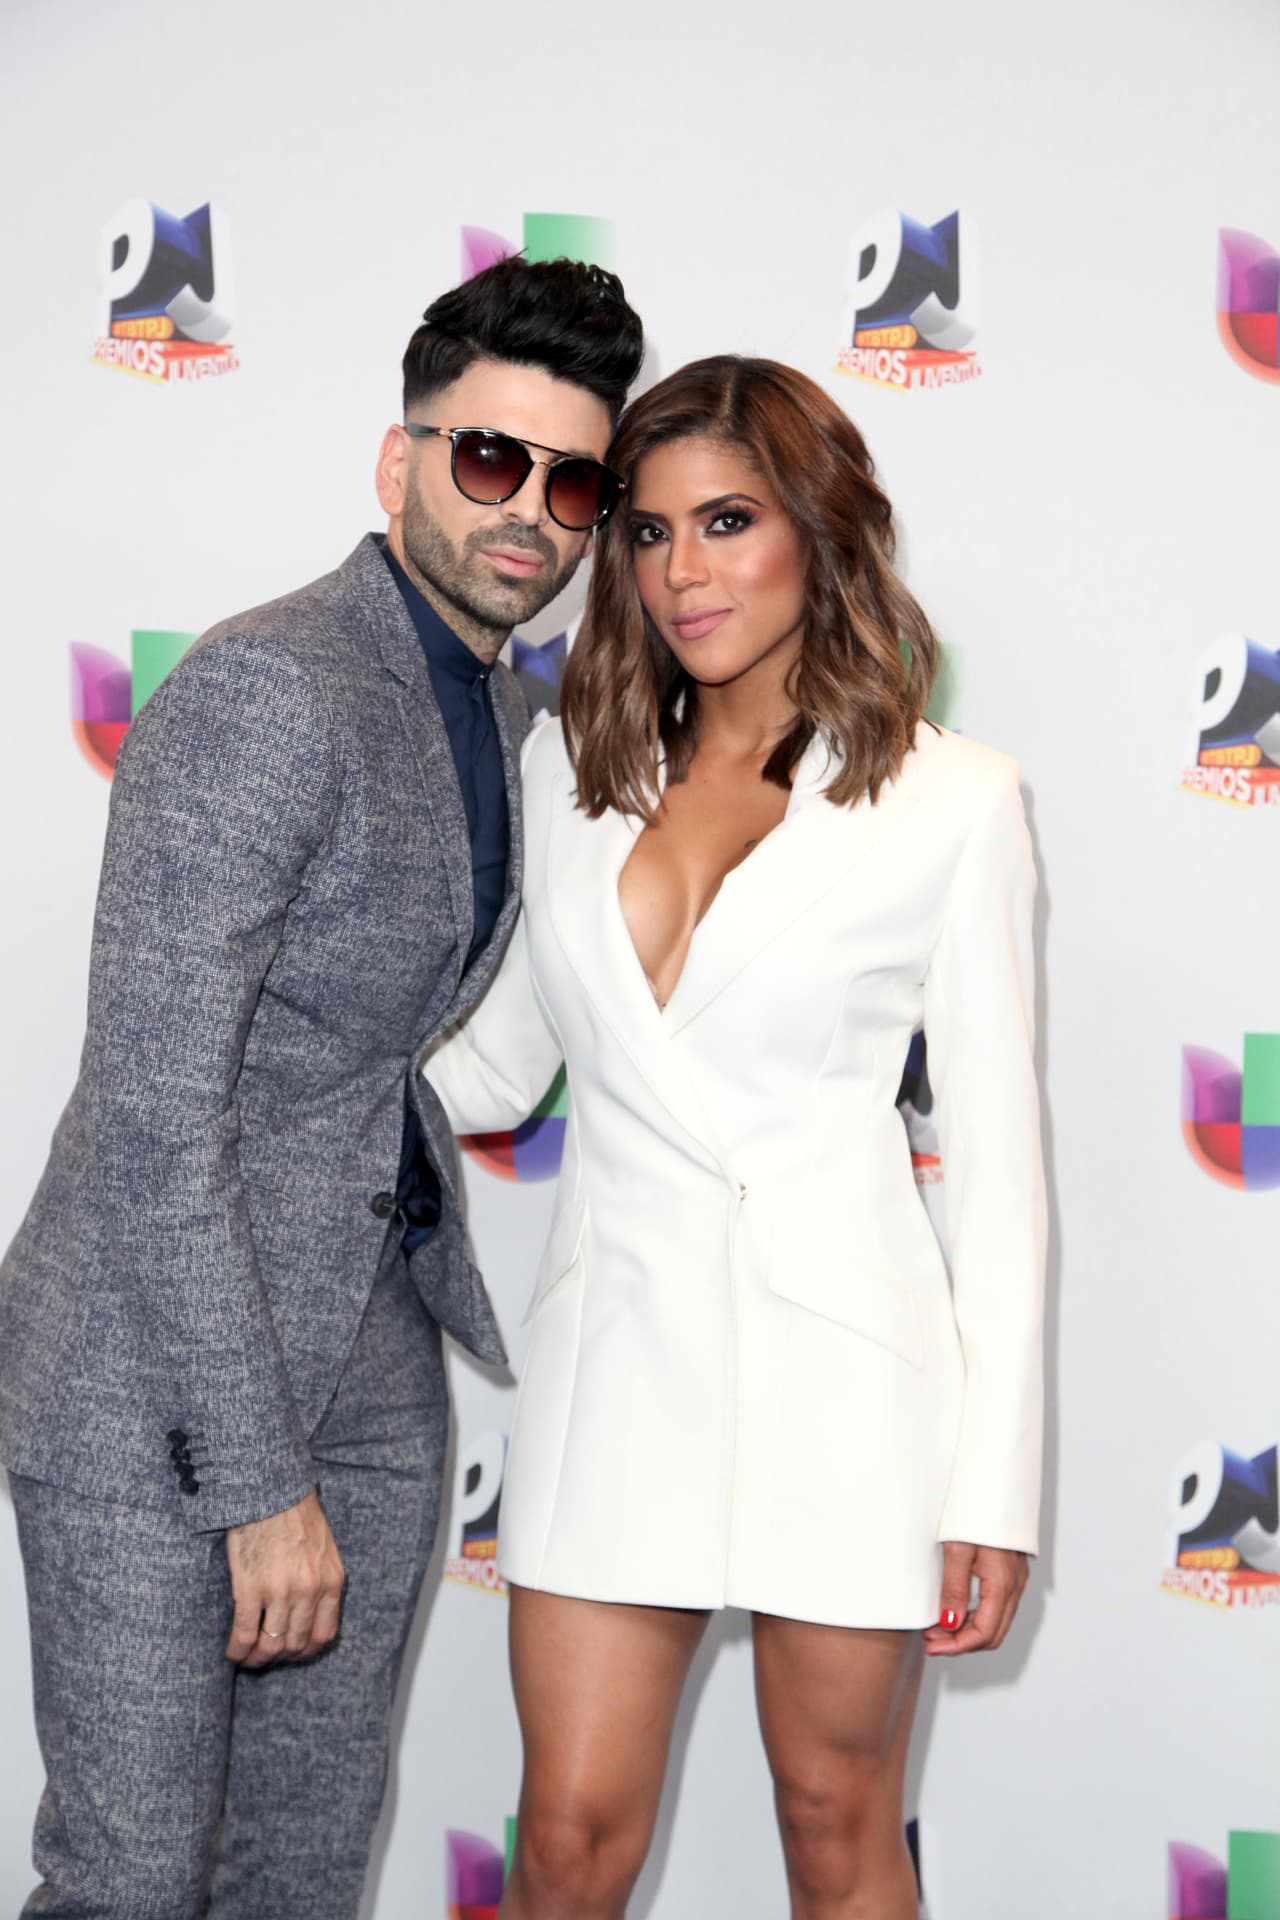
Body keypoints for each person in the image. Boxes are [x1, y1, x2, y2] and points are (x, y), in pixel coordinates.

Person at [0, 255, 644, 1918]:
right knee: (135, 1883)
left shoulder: (518, 718)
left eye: (574, 484)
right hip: (153, 1376)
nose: (530, 513)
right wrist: (257, 1480)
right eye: (489, 459)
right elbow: (155, 1111)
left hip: (372, 1366)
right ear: (398, 461)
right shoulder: (269, 689)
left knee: (299, 1876)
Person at [423, 355, 1046, 1920]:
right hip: (616, 1364)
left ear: (817, 531)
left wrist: (994, 1487)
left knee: (838, 1826)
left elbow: (999, 1176)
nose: (681, 572)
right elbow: (492, 1071)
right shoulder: (569, 766)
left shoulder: (955, 802)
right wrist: (277, 1049)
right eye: (647, 532)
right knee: (566, 1843)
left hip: (848, 1380)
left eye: (727, 522)